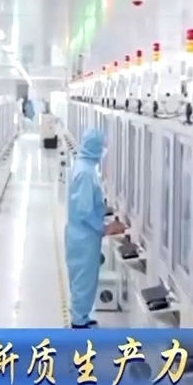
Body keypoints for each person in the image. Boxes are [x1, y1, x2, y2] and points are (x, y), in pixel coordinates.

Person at [64, 128, 125, 328]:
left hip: (82, 235)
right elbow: (84, 211)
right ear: (95, 146)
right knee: (83, 279)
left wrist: (102, 209)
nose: (104, 150)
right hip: (84, 236)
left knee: (84, 278)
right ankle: (79, 322)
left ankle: (81, 316)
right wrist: (105, 228)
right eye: (103, 145)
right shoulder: (85, 172)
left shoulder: (85, 167)